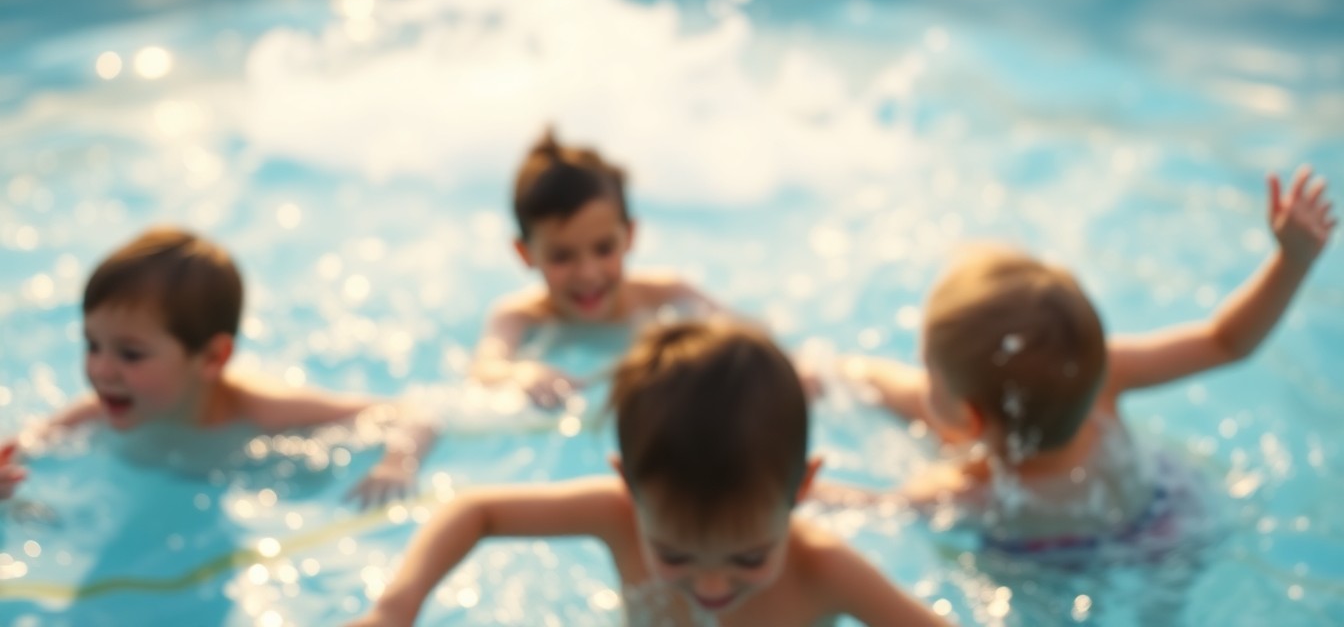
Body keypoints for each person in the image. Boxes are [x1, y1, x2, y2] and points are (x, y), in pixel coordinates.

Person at [821, 165, 1335, 547]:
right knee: (932, 407)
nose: (920, 377)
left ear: (973, 416)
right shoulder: (1102, 376)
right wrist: (1291, 261)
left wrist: (800, 489)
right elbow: (1227, 342)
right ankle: (829, 373)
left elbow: (876, 506)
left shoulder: (973, 491)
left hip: (1059, 558)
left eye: (928, 370)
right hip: (1171, 512)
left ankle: (825, 371)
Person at [348, 319, 949, 626]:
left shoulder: (824, 569)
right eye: (677, 555)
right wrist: (396, 607)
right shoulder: (615, 514)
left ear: (804, 491)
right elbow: (474, 511)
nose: (712, 587)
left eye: (747, 558)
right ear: (629, 487)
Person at [0, 226, 437, 509]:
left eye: (130, 354)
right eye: (92, 345)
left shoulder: (260, 411)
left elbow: (411, 413)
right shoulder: (97, 411)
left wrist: (396, 463)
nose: (101, 370)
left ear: (212, 358)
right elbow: (23, 448)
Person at [474, 128, 723, 408]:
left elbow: (741, 342)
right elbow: (486, 367)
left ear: (629, 235)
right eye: (562, 256)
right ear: (525, 253)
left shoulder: (668, 295)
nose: (588, 273)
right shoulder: (519, 317)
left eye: (604, 249)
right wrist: (519, 372)